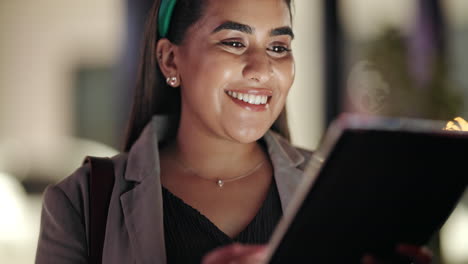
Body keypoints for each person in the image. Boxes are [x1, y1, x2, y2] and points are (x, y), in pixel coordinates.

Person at [35, 0, 433, 263]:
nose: (262, 69)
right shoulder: (82, 202)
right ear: (170, 59)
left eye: (278, 47)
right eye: (233, 41)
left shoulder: (343, 191)